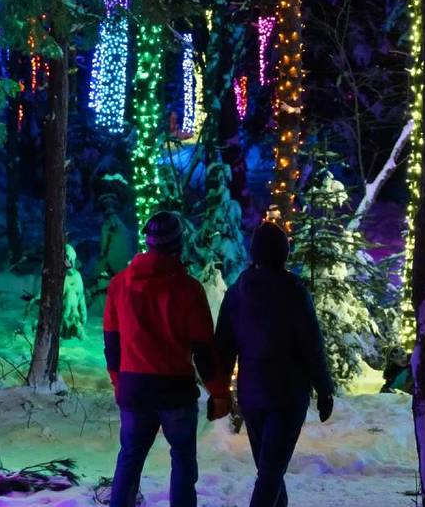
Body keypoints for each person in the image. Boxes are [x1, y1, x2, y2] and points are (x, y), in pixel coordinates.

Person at [104, 211, 231, 507]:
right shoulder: (189, 289)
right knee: (183, 460)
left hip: (134, 388)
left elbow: (112, 342)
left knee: (130, 458)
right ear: (178, 244)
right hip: (175, 390)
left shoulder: (120, 285)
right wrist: (219, 393)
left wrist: (119, 382)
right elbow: (203, 349)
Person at [214, 222, 335, 507]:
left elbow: (224, 346)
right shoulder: (294, 292)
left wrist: (220, 391)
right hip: (287, 394)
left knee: (270, 470)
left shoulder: (237, 292)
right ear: (284, 253)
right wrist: (324, 388)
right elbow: (311, 345)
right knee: (270, 473)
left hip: (251, 393)